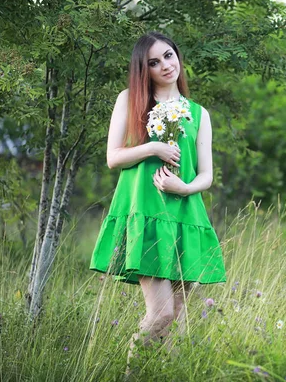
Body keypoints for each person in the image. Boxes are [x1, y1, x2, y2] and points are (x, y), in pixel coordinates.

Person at [88, 31, 227, 372]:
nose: (165, 65)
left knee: (176, 318)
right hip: (145, 214)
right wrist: (154, 148)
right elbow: (113, 157)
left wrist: (185, 188)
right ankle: (129, 375)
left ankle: (161, 374)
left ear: (177, 55)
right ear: (144, 70)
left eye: (168, 55)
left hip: (183, 214)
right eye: (154, 62)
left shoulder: (199, 113)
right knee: (161, 313)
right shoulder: (131, 100)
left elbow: (206, 174)